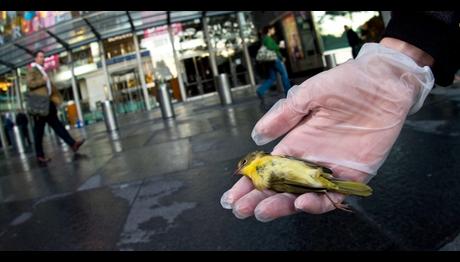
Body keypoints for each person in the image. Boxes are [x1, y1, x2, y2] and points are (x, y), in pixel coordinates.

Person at [221, 11, 460, 222]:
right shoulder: (262, 175)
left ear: (253, 159)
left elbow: (292, 172)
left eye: (243, 165)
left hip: (313, 175)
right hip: (313, 177)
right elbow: (293, 176)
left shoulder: (262, 170)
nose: (242, 170)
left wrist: (396, 63)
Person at [26, 50, 85, 164]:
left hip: (47, 103)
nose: (43, 59)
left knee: (57, 125)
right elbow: (29, 84)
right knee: (38, 131)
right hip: (40, 105)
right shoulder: (32, 70)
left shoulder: (41, 70)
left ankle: (73, 144)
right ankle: (39, 155)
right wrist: (42, 81)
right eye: (41, 57)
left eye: (44, 57)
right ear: (36, 59)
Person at [256, 26, 292, 101]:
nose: (274, 30)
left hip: (271, 60)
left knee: (272, 78)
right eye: (273, 29)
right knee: (284, 74)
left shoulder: (265, 38)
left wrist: (281, 57)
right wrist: (279, 46)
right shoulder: (267, 38)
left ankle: (260, 90)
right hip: (275, 60)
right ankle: (288, 91)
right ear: (269, 30)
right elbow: (271, 48)